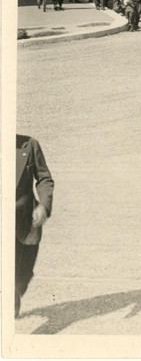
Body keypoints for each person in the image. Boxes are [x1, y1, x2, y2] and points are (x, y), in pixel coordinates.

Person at [15, 134, 54, 319]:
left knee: (23, 272)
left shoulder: (29, 145)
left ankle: (13, 296)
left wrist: (43, 206)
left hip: (26, 222)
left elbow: (44, 178)